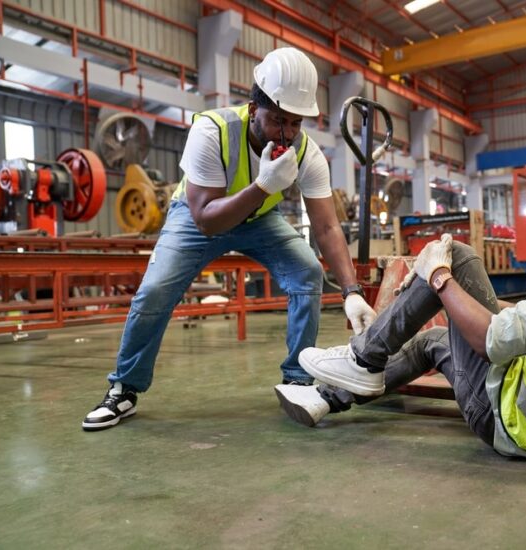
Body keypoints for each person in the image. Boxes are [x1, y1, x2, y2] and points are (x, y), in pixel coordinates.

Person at [82, 47, 376, 431]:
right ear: (254, 109)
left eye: (295, 123)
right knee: (154, 291)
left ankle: (298, 380)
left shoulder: (307, 153)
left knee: (306, 271)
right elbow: (206, 219)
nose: (285, 133)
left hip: (258, 219)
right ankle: (124, 389)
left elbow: (326, 227)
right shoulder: (212, 130)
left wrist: (351, 290)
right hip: (197, 217)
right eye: (276, 120)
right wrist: (263, 185)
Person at [274, 187, 526, 459]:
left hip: (513, 423)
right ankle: (327, 397)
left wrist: (440, 278)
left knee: (457, 254)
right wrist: (462, 297)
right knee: (432, 339)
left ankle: (361, 360)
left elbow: (491, 342)